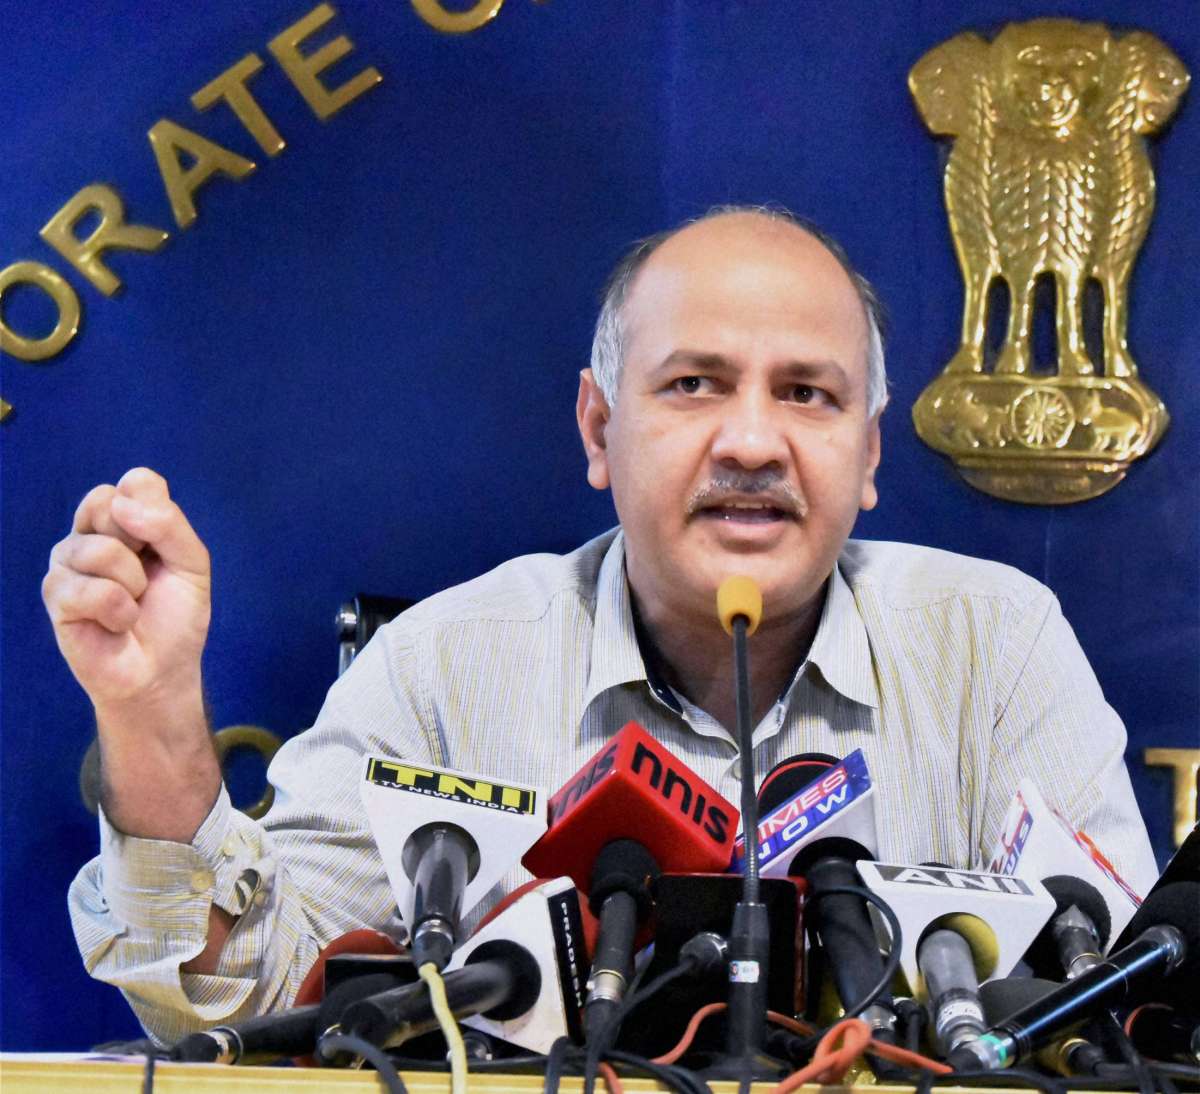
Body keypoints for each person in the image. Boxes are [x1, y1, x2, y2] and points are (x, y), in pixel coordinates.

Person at [45, 207, 1157, 1045]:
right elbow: (244, 996)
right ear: (597, 428)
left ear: (868, 455)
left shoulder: (993, 646)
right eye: (695, 384)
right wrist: (154, 716)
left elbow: (1123, 1003)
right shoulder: (445, 664)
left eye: (807, 394)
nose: (752, 443)